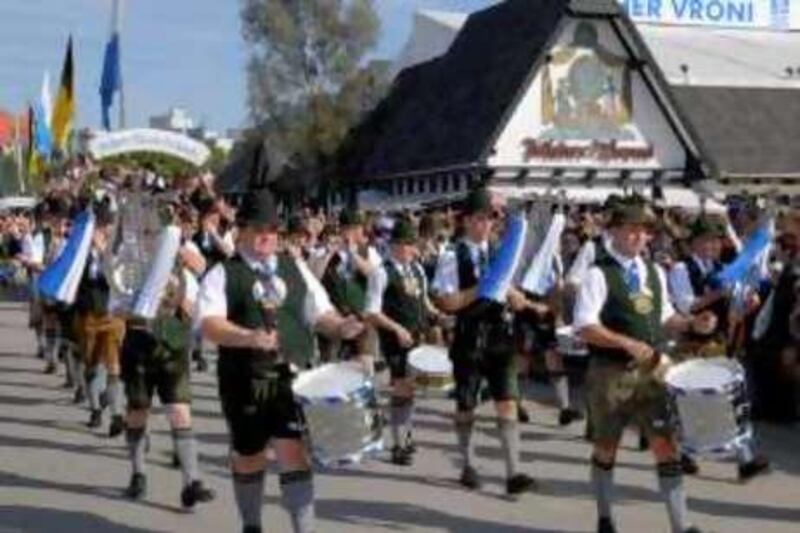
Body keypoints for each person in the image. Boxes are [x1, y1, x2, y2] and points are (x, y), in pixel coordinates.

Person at [198, 185, 363, 533]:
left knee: (294, 454)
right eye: (258, 228)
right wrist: (247, 337)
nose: (266, 236)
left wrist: (342, 326)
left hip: (293, 381)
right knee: (249, 457)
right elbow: (210, 324)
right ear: (241, 229)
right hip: (245, 381)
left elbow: (319, 313)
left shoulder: (294, 267)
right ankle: (252, 525)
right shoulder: (223, 273)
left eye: (272, 229)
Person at [574, 196, 715, 533]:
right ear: (615, 232)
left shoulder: (653, 271)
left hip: (652, 372)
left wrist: (693, 323)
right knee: (606, 449)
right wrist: (625, 342)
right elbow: (584, 326)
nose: (639, 237)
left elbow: (665, 317)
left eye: (644, 231)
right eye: (632, 230)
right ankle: (605, 519)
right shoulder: (598, 273)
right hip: (610, 374)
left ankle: (682, 526)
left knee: (666, 446)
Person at [432, 186, 537, 495]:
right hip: (469, 340)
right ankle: (467, 462)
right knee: (467, 406)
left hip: (500, 340)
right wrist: (483, 288)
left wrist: (528, 304)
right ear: (465, 221)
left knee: (507, 402)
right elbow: (445, 302)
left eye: (489, 219)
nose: (485, 225)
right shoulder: (452, 255)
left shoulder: (499, 252)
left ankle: (513, 472)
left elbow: (510, 292)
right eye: (479, 218)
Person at [669, 216, 770, 480]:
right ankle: (686, 453)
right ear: (693, 243)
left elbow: (735, 309)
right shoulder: (682, 269)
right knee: (694, 404)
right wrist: (718, 294)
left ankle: (744, 459)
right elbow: (685, 305)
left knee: (730, 402)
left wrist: (746, 304)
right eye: (706, 241)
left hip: (720, 342)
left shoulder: (725, 268)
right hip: (693, 344)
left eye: (715, 241)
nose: (712, 246)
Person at [121, 226, 215, 508]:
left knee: (179, 412)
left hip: (173, 345)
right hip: (139, 344)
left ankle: (191, 482)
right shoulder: (131, 260)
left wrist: (182, 259)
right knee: (138, 410)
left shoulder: (182, 256)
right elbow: (119, 305)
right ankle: (138, 472)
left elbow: (203, 275)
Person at [366, 217, 444, 466]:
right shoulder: (381, 272)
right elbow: (372, 312)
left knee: (410, 389)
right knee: (401, 389)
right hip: (395, 339)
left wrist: (438, 316)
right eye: (410, 244)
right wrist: (397, 329)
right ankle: (398, 444)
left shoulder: (417, 269)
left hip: (417, 337)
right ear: (397, 245)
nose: (414, 249)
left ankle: (406, 436)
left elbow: (424, 302)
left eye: (414, 244)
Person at [73, 202, 127, 436]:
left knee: (114, 367)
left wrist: (104, 251)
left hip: (113, 313)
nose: (104, 230)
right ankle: (96, 408)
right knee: (92, 366)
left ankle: (116, 415)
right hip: (88, 314)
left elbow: (119, 279)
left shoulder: (119, 249)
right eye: (101, 225)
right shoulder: (79, 250)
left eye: (107, 225)